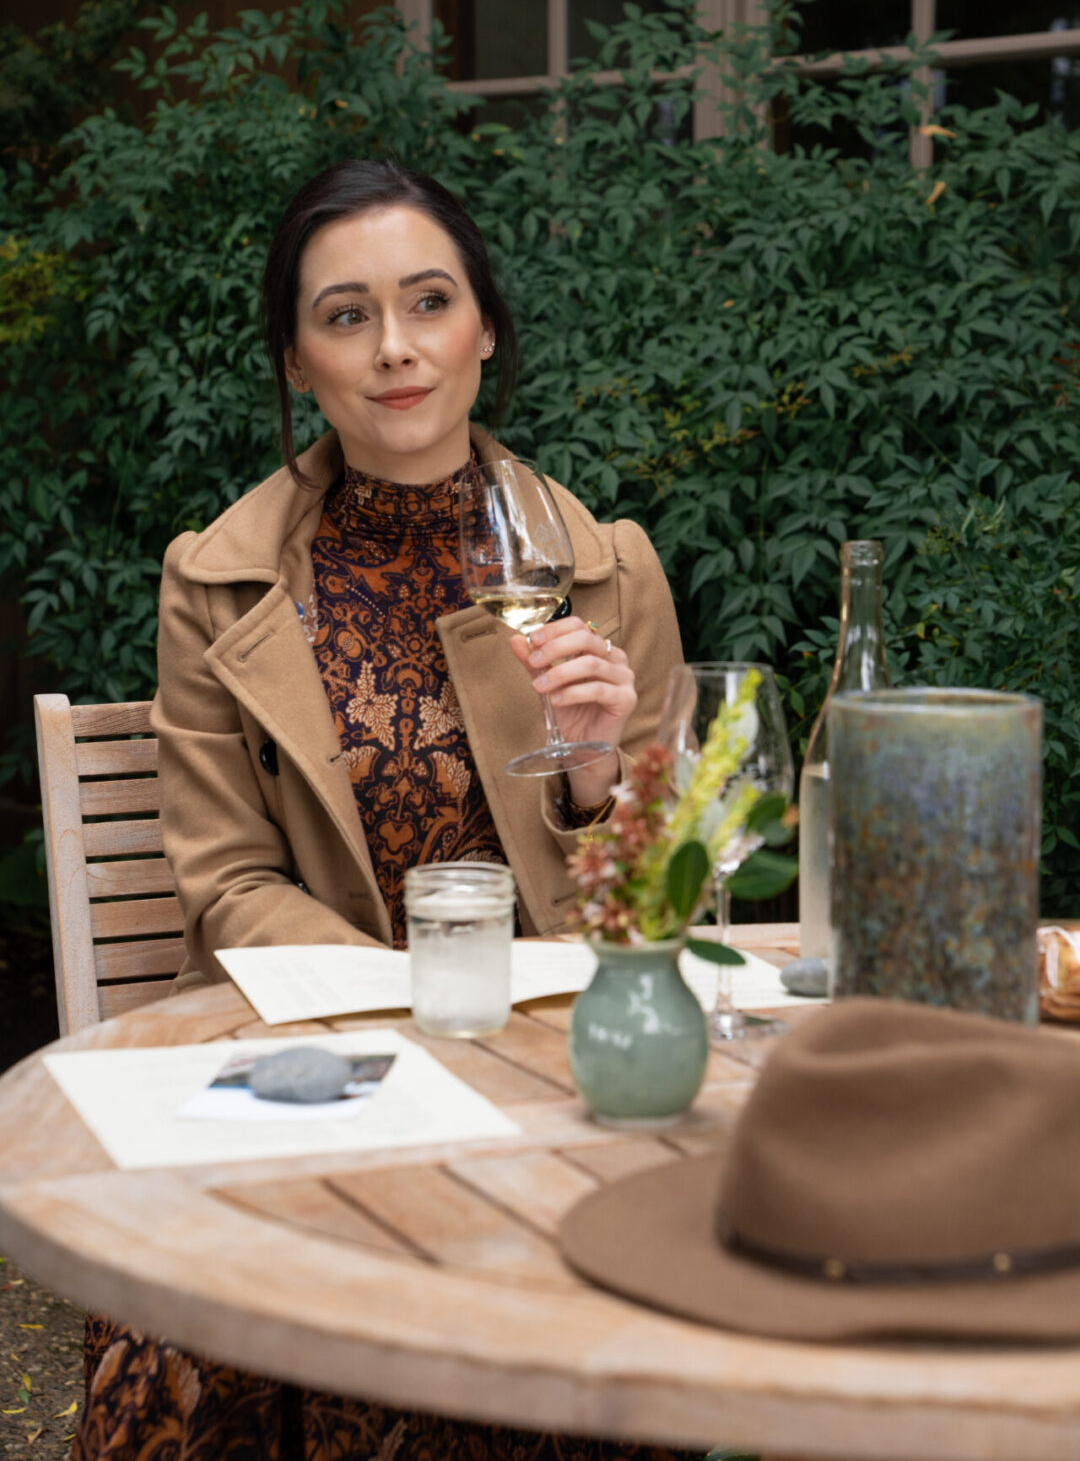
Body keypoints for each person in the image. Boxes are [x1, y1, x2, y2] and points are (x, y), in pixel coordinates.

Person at [72, 159, 688, 1460]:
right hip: (311, 1066)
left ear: (485, 332)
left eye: (428, 302)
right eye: (346, 315)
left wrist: (594, 777)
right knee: (190, 1327)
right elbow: (231, 884)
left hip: (548, 1076)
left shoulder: (604, 570)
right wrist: (415, 1023)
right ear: (298, 362)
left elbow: (664, 910)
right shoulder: (218, 584)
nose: (395, 349)